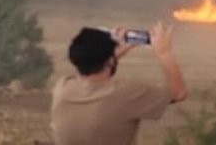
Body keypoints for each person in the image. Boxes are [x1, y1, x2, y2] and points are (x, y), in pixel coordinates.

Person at [50, 21, 189, 145]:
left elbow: (88, 68)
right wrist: (164, 53)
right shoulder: (125, 93)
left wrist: (110, 56)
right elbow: (179, 93)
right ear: (110, 61)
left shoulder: (62, 87)